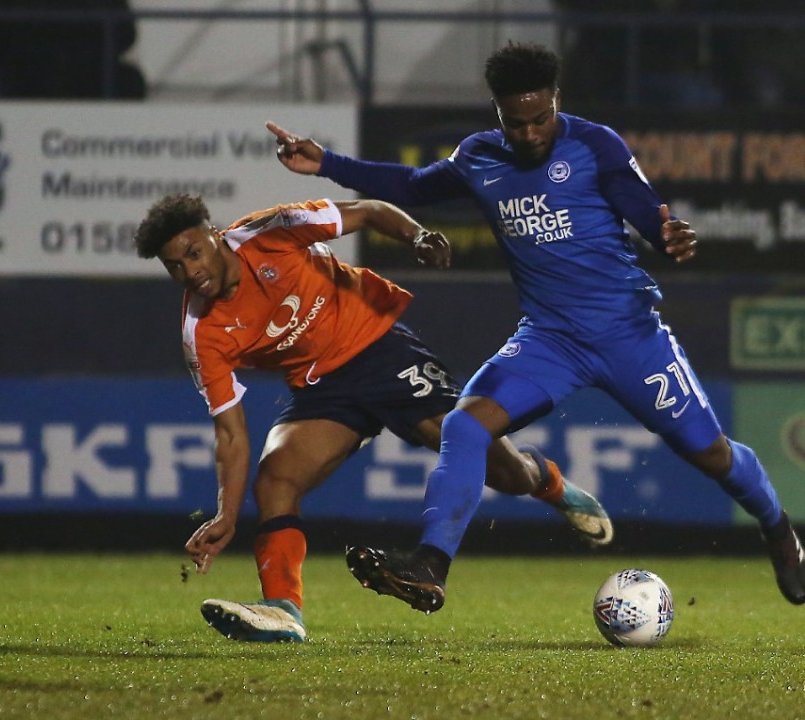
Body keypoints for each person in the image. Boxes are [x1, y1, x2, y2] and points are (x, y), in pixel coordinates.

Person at [266, 41, 805, 614]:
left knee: (711, 454)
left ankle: (779, 529)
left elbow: (647, 212)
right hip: (550, 340)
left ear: (556, 101)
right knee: (464, 426)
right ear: (497, 112)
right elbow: (414, 185)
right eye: (515, 122)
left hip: (628, 335)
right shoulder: (479, 157)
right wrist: (327, 163)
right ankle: (430, 566)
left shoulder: (595, 144)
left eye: (540, 118)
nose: (529, 133)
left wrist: (667, 235)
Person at [133, 193, 613, 642]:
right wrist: (227, 514)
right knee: (276, 478)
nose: (190, 271)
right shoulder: (201, 331)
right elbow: (231, 435)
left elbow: (368, 211)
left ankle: (547, 480)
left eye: (194, 253)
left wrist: (417, 236)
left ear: (214, 234)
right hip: (322, 389)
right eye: (175, 265)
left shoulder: (272, 231)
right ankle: (283, 608)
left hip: (380, 350)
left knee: (505, 474)